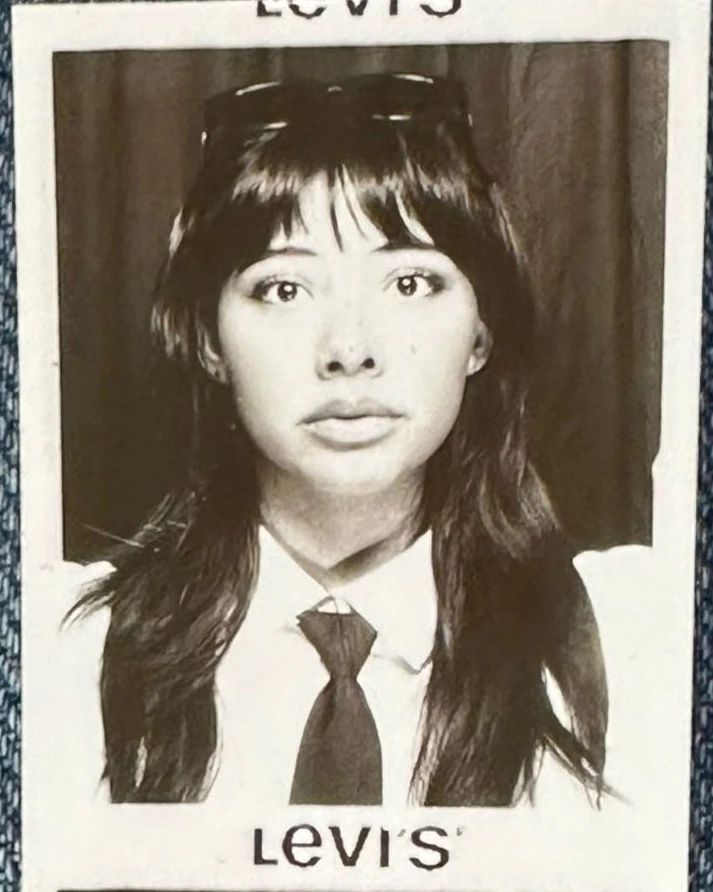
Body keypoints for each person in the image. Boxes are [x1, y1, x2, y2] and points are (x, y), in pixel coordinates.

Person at [61, 72, 648, 808]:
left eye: (409, 283)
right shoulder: (67, 654)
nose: (349, 349)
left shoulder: (635, 639)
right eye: (284, 288)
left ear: (481, 332)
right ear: (209, 339)